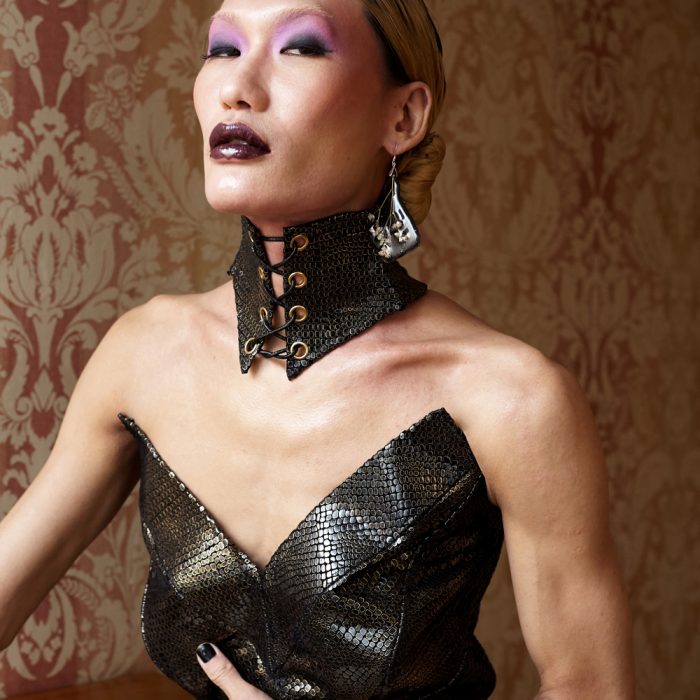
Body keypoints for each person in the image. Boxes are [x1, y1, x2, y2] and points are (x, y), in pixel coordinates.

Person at [0, 1, 635, 698]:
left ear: (404, 118)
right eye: (222, 48)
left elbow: (591, 686)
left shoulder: (511, 396)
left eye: (300, 47)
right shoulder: (144, 353)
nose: (237, 86)